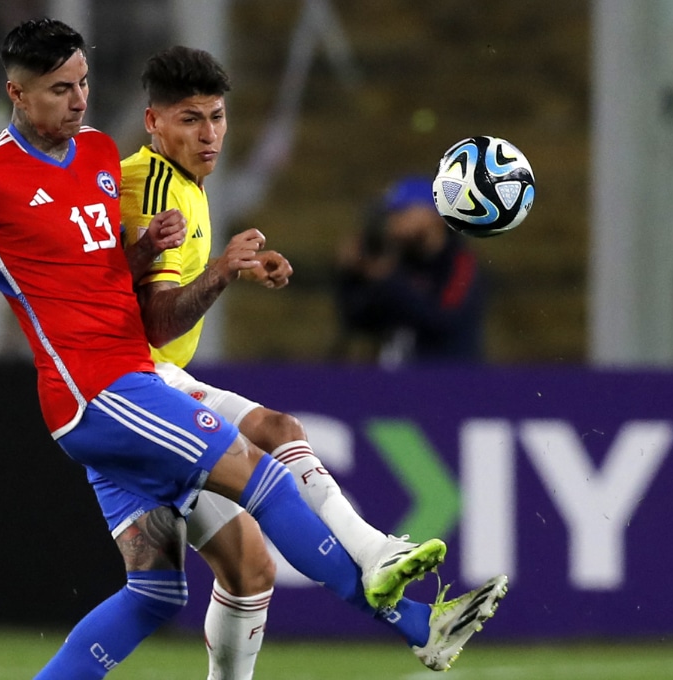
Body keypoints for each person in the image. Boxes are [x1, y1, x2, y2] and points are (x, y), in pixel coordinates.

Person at [0, 19, 506, 680]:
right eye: (59, 89)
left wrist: (141, 252)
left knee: (157, 590)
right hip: (98, 389)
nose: (78, 101)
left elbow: (97, 277)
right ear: (17, 93)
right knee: (263, 475)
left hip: (123, 383)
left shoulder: (99, 155)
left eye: (82, 83)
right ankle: (416, 625)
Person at [119, 46, 506, 677]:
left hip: (152, 378)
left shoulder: (183, 183)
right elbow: (156, 321)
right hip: (134, 382)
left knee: (249, 571)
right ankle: (381, 563)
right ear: (153, 122)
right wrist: (223, 271)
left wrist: (231, 269)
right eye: (190, 119)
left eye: (217, 117)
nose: (209, 133)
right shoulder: (156, 187)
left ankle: (412, 614)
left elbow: (144, 289)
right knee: (270, 452)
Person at [334, 176, 487, 365]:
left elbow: (442, 319)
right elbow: (358, 319)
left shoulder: (459, 262)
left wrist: (389, 279)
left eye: (402, 211)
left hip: (447, 375)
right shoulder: (398, 260)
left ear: (433, 214)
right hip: (395, 375)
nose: (393, 221)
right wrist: (352, 276)